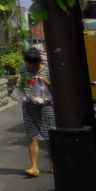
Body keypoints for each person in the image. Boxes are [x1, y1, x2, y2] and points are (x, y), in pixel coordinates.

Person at [17, 47, 55, 177]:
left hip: (47, 106)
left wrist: (46, 81)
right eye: (30, 64)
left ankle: (53, 163)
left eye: (35, 64)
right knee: (32, 136)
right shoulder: (24, 69)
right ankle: (34, 167)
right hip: (29, 105)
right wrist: (18, 79)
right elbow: (21, 86)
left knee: (49, 135)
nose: (32, 67)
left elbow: (58, 88)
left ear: (40, 61)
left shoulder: (49, 70)